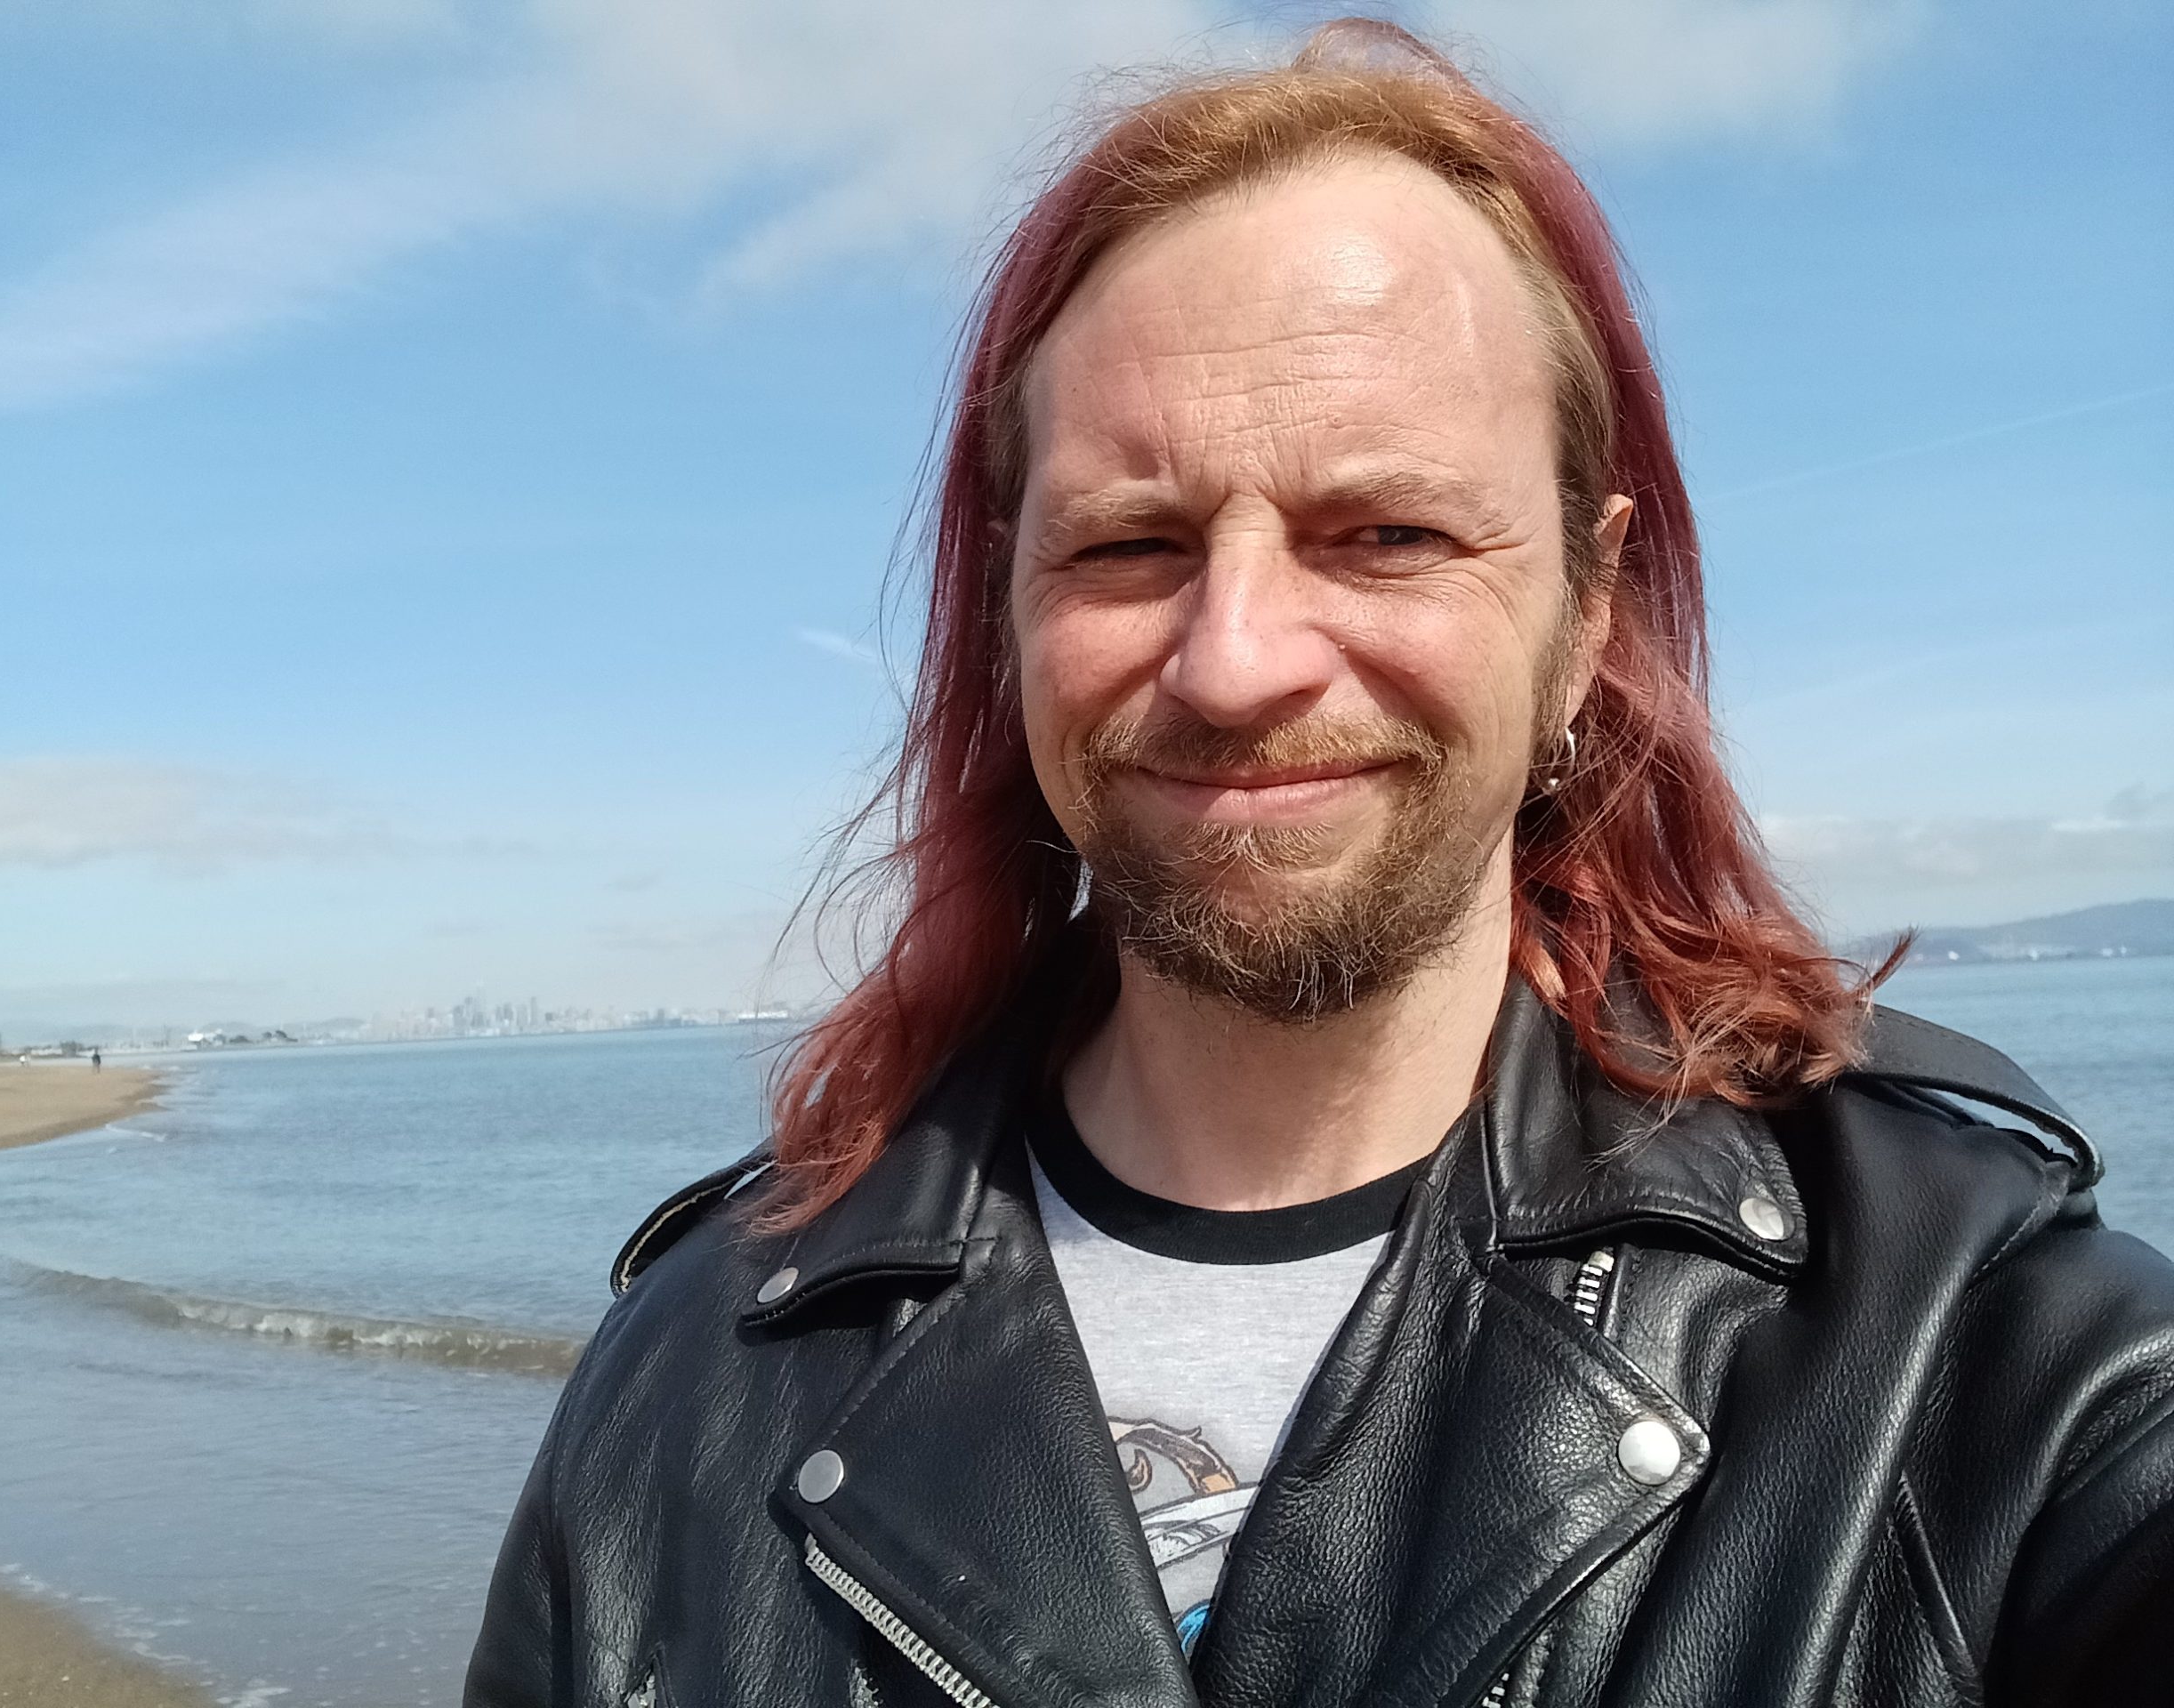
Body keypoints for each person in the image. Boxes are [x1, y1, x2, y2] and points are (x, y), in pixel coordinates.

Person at [466, 22, 2174, 1706]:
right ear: (1008, 613)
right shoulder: (692, 1382)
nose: (1235, 662)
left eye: (1389, 533)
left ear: (1586, 613)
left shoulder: (1987, 1365)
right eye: (1128, 543)